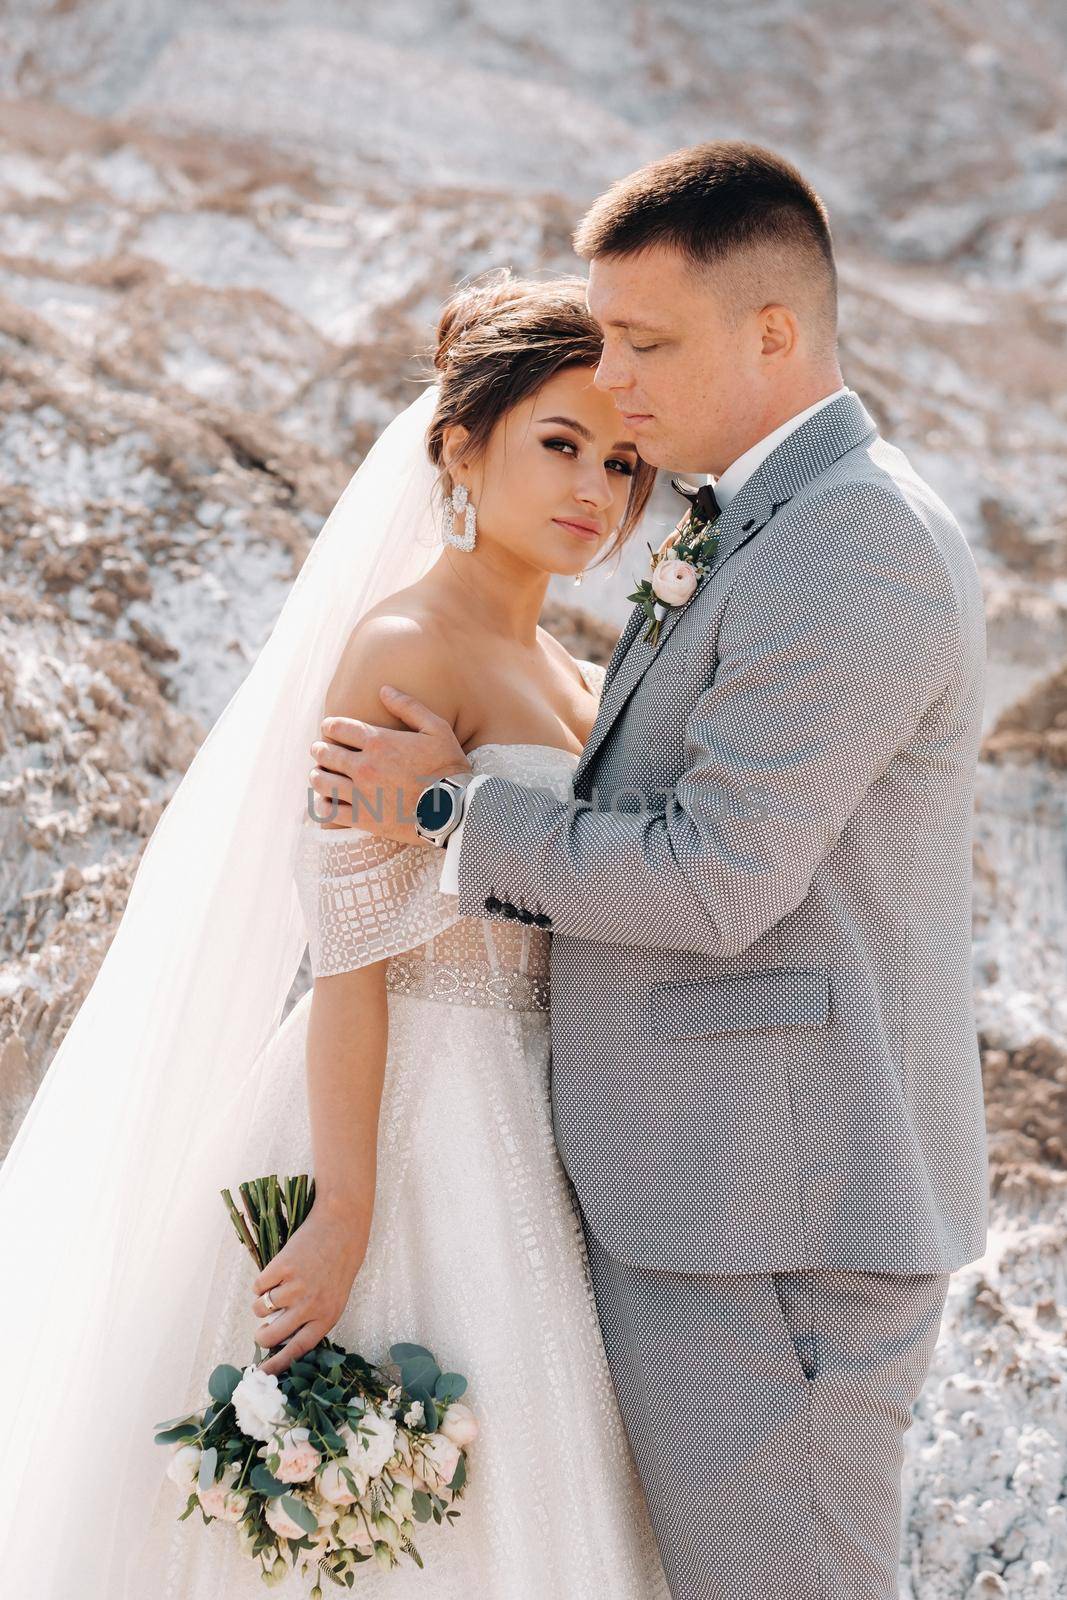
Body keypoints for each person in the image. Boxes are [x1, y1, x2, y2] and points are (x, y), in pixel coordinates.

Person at [308, 140, 991, 1600]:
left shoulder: (849, 543)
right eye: (601, 345)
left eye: (644, 343)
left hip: (775, 1222)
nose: (613, 382)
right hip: (691, 1194)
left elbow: (716, 880)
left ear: (773, 333)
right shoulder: (765, 523)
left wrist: (448, 814)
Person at [0, 272, 671, 1598]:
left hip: (541, 1109)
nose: (597, 485)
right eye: (560, 442)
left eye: (625, 460)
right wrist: (348, 1211)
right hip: (406, 1096)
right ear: (460, 446)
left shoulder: (583, 676)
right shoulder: (408, 646)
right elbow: (353, 957)